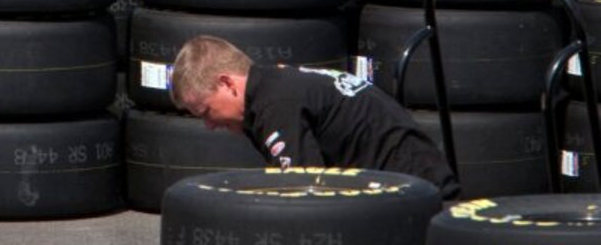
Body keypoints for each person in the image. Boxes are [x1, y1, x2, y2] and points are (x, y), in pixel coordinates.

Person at [169, 34, 461, 200]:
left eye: (206, 111)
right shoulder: (276, 84)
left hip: (416, 194)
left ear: (228, 84)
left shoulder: (276, 105)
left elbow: (304, 197)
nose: (208, 125)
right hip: (407, 182)